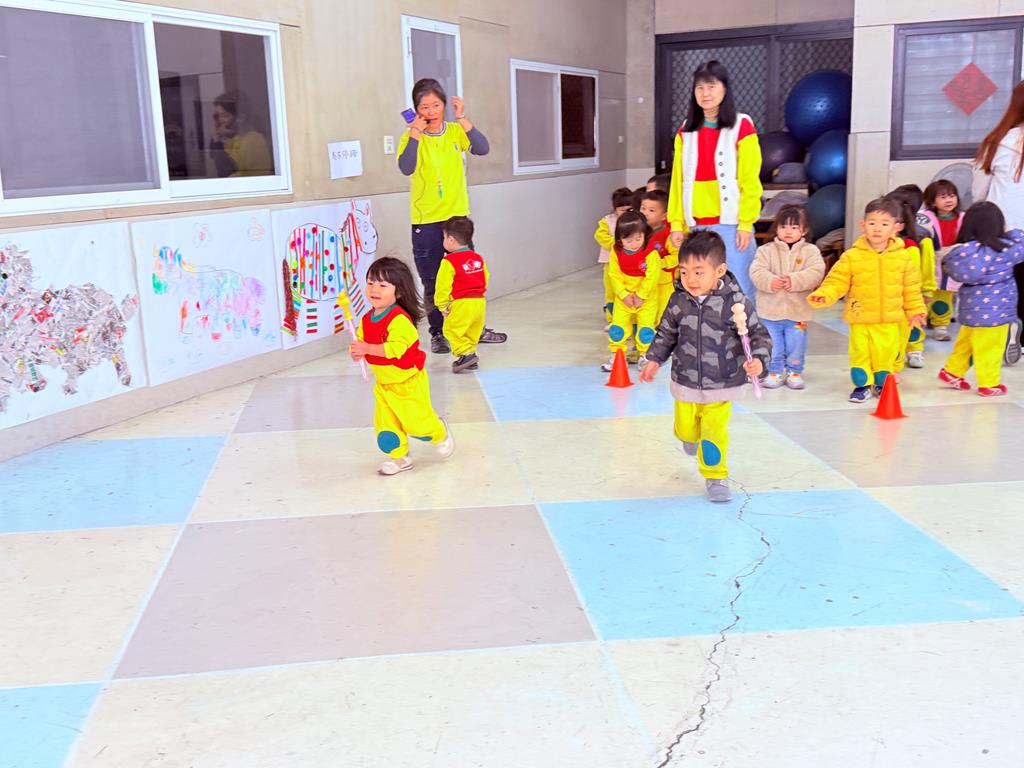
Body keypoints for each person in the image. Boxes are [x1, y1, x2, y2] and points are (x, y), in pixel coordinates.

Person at [639, 230, 770, 503]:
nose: (690, 279)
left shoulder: (735, 303)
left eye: (699, 272)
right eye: (684, 272)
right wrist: (654, 359)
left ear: (719, 271)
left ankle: (716, 476)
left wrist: (759, 360)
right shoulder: (678, 301)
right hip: (685, 380)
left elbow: (757, 335)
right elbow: (666, 334)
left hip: (723, 381)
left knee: (713, 433)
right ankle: (688, 436)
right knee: (686, 430)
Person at [397, 78, 506, 353]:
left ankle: (474, 329)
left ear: (445, 105)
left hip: (456, 219)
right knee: (433, 280)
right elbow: (406, 167)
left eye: (436, 105)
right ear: (416, 110)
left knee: (468, 278)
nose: (431, 111)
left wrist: (462, 118)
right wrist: (415, 132)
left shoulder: (455, 131)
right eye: (425, 107)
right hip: (426, 221)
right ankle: (438, 334)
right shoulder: (411, 137)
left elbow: (482, 148)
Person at [808, 198, 927, 404]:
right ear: (863, 225)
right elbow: (837, 280)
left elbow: (911, 288)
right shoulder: (852, 256)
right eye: (872, 223)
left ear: (896, 227)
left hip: (889, 321)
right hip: (860, 318)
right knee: (860, 354)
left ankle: (881, 384)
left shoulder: (903, 258)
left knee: (885, 356)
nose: (877, 229)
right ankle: (862, 386)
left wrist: (916, 310)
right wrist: (825, 294)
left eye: (884, 224)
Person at [350, 257, 455, 476]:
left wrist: (367, 348)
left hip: (407, 383)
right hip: (385, 385)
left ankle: (439, 431)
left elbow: (395, 349)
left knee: (418, 427)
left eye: (382, 285)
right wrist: (358, 351)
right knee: (386, 429)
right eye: (370, 282)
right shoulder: (367, 320)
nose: (374, 289)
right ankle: (400, 458)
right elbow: (361, 342)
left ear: (398, 292)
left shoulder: (399, 320)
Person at [668, 60, 763, 299]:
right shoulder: (685, 131)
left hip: (732, 225)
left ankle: (744, 326)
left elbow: (750, 179)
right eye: (699, 88)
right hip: (696, 226)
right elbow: (677, 182)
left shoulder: (742, 125)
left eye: (711, 86)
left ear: (725, 89)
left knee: (738, 288)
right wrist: (676, 223)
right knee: (700, 290)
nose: (705, 93)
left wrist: (745, 222)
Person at [937, 202, 1024, 397]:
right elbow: (1022, 242)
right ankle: (989, 383)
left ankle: (952, 372)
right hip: (996, 313)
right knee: (990, 348)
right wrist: (1010, 232)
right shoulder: (1004, 250)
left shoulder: (965, 252)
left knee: (965, 343)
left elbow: (954, 270)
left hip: (970, 310)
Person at [972, 79, 1024, 364]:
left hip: (1002, 232)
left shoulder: (996, 142)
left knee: (1001, 287)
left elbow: (979, 194)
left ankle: (1004, 329)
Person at [749, 205, 825, 390]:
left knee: (796, 343)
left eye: (794, 227)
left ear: (804, 230)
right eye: (783, 226)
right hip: (770, 311)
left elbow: (816, 272)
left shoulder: (810, 251)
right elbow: (756, 271)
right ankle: (774, 372)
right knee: (772, 344)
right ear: (777, 228)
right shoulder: (765, 250)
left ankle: (794, 372)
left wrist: (795, 280)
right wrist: (770, 281)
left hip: (798, 312)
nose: (788, 231)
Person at [601, 211, 660, 372]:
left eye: (638, 238)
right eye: (628, 240)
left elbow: (652, 276)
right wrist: (623, 294)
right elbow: (614, 274)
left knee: (645, 329)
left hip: (646, 299)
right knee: (618, 328)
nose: (634, 244)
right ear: (619, 238)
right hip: (623, 298)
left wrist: (641, 295)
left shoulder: (650, 252)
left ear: (645, 234)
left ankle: (645, 357)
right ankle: (617, 356)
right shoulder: (616, 251)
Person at [886, 190, 936, 370]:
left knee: (915, 322)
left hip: (914, 292)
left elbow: (928, 266)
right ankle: (894, 353)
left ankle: (914, 350)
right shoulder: (884, 239)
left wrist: (927, 290)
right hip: (891, 293)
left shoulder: (921, 238)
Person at [434, 216, 489, 373]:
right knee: (471, 330)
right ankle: (470, 355)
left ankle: (466, 354)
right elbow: (485, 277)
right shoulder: (477, 258)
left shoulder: (449, 261)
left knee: (452, 330)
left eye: (444, 237)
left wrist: (442, 305)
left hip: (461, 303)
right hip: (479, 302)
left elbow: (442, 285)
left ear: (450, 240)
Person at [920, 179, 964, 342]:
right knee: (925, 296)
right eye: (943, 197)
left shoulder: (962, 218)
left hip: (951, 264)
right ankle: (919, 325)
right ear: (932, 201)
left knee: (944, 297)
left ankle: (941, 326)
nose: (948, 200)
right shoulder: (925, 218)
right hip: (930, 263)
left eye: (952, 196)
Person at [210, 91, 274, 177]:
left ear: (241, 117)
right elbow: (215, 157)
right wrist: (216, 136)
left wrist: (217, 138)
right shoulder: (234, 140)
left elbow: (224, 172)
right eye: (219, 116)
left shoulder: (253, 141)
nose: (220, 120)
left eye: (224, 115)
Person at [638, 189, 679, 321]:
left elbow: (676, 257)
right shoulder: (637, 233)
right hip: (643, 281)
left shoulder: (668, 235)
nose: (645, 213)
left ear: (664, 216)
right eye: (643, 208)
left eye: (651, 210)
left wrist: (659, 264)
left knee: (662, 310)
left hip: (663, 281)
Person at [595, 187, 635, 324]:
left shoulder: (635, 221)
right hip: (610, 262)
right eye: (622, 210)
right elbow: (600, 236)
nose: (626, 213)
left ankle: (629, 318)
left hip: (629, 263)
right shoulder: (607, 221)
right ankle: (612, 319)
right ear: (615, 209)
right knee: (611, 291)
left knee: (627, 290)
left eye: (630, 209)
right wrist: (617, 243)